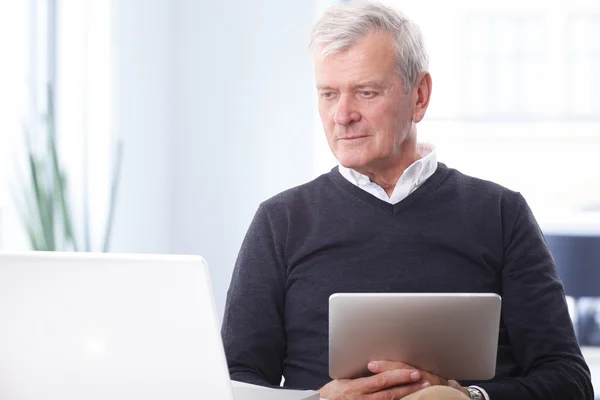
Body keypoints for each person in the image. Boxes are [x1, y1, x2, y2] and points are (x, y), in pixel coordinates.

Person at [221, 2, 595, 399]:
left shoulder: (501, 213)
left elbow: (569, 380)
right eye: (329, 94)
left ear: (419, 96)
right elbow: (231, 383)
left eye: (365, 92)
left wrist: (469, 398)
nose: (342, 115)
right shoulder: (280, 221)